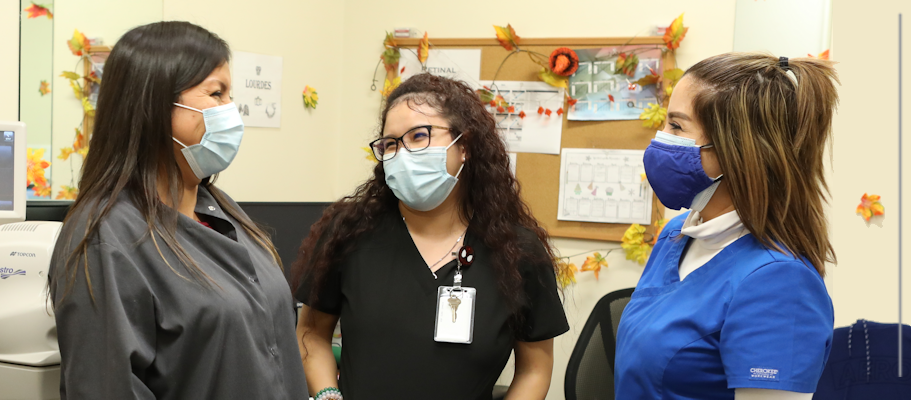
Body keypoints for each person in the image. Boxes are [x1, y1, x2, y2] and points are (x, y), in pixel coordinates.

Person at [47, 21, 306, 399]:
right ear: (153, 103)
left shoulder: (219, 209)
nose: (230, 110)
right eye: (216, 93)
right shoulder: (107, 237)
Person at [292, 74, 569, 400]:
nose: (403, 153)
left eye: (419, 136)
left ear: (464, 145)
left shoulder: (518, 252)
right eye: (391, 144)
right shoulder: (349, 232)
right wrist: (327, 395)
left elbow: (534, 369)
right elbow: (311, 333)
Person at [614, 52, 840, 400]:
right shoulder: (676, 236)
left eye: (676, 126)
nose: (660, 139)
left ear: (735, 151)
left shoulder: (779, 283)